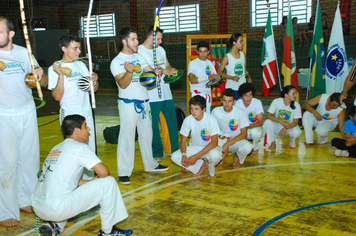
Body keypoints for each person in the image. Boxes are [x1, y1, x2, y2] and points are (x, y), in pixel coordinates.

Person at [31, 115, 132, 236]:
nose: (88, 129)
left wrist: (92, 183)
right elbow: (104, 172)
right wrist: (98, 181)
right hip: (55, 209)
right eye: (85, 126)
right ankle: (108, 232)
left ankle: (54, 225)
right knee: (109, 182)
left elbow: (74, 182)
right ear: (76, 131)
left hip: (38, 207)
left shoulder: (56, 148)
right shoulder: (79, 148)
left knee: (64, 193)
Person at [0, 16, 48, 227]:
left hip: (27, 111)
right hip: (3, 115)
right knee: (7, 164)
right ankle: (6, 211)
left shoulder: (23, 53)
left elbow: (42, 82)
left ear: (11, 34)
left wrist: (39, 75)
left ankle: (25, 200)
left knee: (29, 160)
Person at [110, 27, 168, 185]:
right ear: (124, 41)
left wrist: (156, 73)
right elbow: (122, 84)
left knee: (147, 135)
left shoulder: (140, 56)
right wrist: (128, 72)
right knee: (127, 138)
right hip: (128, 104)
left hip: (145, 102)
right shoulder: (117, 62)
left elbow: (148, 73)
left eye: (137, 38)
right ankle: (123, 171)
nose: (137, 42)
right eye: (133, 39)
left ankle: (150, 164)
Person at [48, 33, 98, 180]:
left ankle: (89, 184)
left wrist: (94, 81)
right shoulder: (54, 69)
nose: (79, 51)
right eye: (75, 48)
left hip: (86, 113)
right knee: (74, 151)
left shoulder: (81, 65)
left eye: (79, 48)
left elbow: (93, 90)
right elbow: (57, 97)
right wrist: (61, 75)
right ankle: (73, 183)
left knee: (89, 150)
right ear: (64, 48)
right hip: (70, 115)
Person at [138, 26, 179, 160]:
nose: (161, 42)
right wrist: (163, 71)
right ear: (151, 37)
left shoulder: (160, 50)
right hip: (151, 95)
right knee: (153, 126)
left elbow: (167, 65)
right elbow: (150, 71)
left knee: (171, 123)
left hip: (166, 93)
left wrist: (171, 70)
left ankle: (174, 150)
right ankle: (156, 152)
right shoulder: (139, 51)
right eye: (159, 39)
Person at [171, 96, 222, 178]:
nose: (193, 111)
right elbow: (183, 141)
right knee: (175, 156)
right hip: (195, 147)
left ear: (203, 109)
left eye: (196, 109)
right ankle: (201, 166)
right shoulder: (188, 120)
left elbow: (214, 142)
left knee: (215, 155)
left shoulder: (211, 119)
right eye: (192, 109)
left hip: (210, 148)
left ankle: (210, 167)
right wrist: (184, 154)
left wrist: (195, 156)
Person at [212, 89, 252, 168]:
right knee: (214, 159)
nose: (227, 104)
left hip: (234, 141)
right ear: (221, 101)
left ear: (234, 101)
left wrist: (227, 144)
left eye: (229, 101)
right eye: (225, 101)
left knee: (248, 147)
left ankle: (237, 156)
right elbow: (211, 130)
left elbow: (244, 134)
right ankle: (220, 156)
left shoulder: (240, 112)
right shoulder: (215, 111)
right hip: (219, 140)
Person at [263, 85, 302, 149]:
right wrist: (281, 121)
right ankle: (273, 143)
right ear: (286, 95)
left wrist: (286, 127)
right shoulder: (276, 101)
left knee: (296, 133)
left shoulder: (296, 105)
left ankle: (291, 142)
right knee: (267, 123)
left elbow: (295, 122)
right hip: (278, 126)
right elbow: (268, 115)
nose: (295, 95)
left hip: (290, 126)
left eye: (296, 93)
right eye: (293, 94)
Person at [188, 40, 219, 113]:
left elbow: (214, 78)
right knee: (197, 115)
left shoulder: (210, 63)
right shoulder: (193, 63)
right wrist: (208, 77)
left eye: (205, 51)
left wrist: (216, 79)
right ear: (197, 52)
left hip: (207, 93)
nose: (203, 54)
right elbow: (192, 80)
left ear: (208, 52)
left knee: (207, 115)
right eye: (201, 51)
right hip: (197, 93)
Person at [218, 33, 252, 100]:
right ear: (234, 43)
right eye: (241, 41)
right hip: (232, 89)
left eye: (242, 41)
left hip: (242, 89)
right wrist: (232, 78)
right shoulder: (227, 57)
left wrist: (248, 77)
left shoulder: (242, 55)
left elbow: (245, 70)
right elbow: (219, 73)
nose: (243, 43)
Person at [235, 83, 264, 155]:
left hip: (253, 128)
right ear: (241, 96)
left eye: (250, 95)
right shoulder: (238, 104)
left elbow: (260, 122)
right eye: (246, 95)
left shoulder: (257, 102)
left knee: (256, 133)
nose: (248, 98)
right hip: (242, 129)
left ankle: (255, 147)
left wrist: (247, 126)